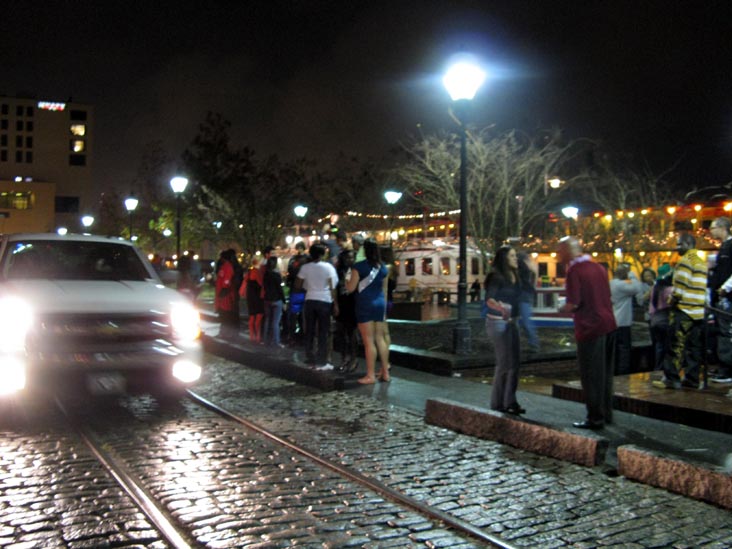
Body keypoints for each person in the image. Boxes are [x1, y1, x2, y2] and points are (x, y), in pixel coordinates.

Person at [558, 236, 617, 430]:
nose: (558, 254)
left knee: (591, 375)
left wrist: (560, 308)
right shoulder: (598, 267)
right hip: (609, 324)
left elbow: (574, 303)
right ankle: (607, 413)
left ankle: (595, 418)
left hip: (590, 327)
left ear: (568, 250)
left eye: (560, 250)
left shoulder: (574, 270)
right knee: (605, 374)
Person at [656, 233, 707, 389]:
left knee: (675, 345)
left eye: (679, 244)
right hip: (698, 312)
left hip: (684, 310)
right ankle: (692, 379)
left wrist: (671, 300)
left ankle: (671, 379)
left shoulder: (685, 262)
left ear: (687, 244)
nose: (676, 247)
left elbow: (679, 289)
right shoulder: (701, 262)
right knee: (694, 348)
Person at [483, 245, 525, 414]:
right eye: (513, 256)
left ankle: (510, 401)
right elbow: (489, 299)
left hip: (512, 322)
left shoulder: (515, 276)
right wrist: (501, 308)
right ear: (504, 259)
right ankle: (498, 402)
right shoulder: (497, 277)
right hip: (498, 323)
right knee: (505, 362)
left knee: (514, 362)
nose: (516, 259)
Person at [346, 237, 390, 385]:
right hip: (379, 304)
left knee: (368, 341)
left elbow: (351, 288)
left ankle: (370, 375)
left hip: (365, 304)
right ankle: (385, 372)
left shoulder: (359, 267)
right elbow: (384, 289)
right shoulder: (383, 267)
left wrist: (346, 280)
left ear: (364, 250)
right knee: (381, 339)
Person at [295, 243, 339, 370]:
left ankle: (309, 355)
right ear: (322, 254)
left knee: (309, 329)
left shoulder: (305, 267)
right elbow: (333, 287)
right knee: (323, 331)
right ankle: (322, 358)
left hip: (310, 300)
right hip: (325, 300)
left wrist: (307, 286)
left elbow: (298, 285)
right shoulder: (329, 267)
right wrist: (335, 304)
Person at [708, 217, 732, 383]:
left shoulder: (729, 247)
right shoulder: (724, 247)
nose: (710, 231)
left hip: (727, 298)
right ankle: (723, 365)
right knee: (721, 331)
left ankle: (727, 368)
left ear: (722, 228)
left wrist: (726, 288)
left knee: (725, 332)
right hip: (720, 297)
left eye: (712, 227)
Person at [609, 263, 642, 375]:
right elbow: (637, 288)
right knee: (624, 348)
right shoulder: (621, 286)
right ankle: (623, 372)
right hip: (622, 322)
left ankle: (614, 370)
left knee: (615, 349)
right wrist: (632, 274)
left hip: (613, 320)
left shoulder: (611, 284)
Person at [335, 248, 358, 371]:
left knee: (352, 333)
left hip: (352, 304)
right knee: (341, 333)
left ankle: (354, 359)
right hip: (342, 303)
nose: (349, 260)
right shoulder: (338, 271)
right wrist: (335, 304)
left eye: (351, 257)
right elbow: (335, 289)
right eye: (347, 257)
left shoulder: (356, 271)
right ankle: (344, 358)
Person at [649, 263, 674, 370]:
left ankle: (657, 368)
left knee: (659, 346)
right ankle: (665, 369)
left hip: (655, 320)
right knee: (667, 347)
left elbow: (652, 306)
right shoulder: (669, 289)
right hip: (665, 320)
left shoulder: (655, 288)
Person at [285, 241, 309, 345]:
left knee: (297, 316)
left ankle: (295, 337)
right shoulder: (307, 260)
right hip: (302, 291)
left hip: (297, 291)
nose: (299, 250)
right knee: (299, 316)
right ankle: (298, 337)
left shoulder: (294, 260)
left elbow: (290, 274)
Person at [214, 249, 240, 340]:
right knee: (223, 315)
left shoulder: (228, 267)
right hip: (223, 294)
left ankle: (226, 333)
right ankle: (224, 332)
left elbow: (226, 282)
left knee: (225, 315)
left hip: (225, 295)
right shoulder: (224, 266)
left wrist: (222, 293)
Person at [517, 252, 540, 353]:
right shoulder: (528, 267)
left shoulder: (519, 265)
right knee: (524, 320)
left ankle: (533, 343)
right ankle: (533, 343)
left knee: (521, 321)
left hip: (522, 294)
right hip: (526, 293)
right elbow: (534, 274)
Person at [262, 255, 285, 348]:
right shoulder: (276, 275)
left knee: (267, 320)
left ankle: (266, 340)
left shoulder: (266, 275)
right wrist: (284, 301)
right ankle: (276, 341)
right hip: (276, 300)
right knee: (275, 322)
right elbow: (279, 289)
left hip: (267, 299)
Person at [242, 257, 264, 343]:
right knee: (258, 318)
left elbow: (244, 285)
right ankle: (258, 337)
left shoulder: (249, 273)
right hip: (258, 298)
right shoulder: (259, 273)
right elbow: (262, 286)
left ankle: (252, 337)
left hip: (250, 298)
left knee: (252, 317)